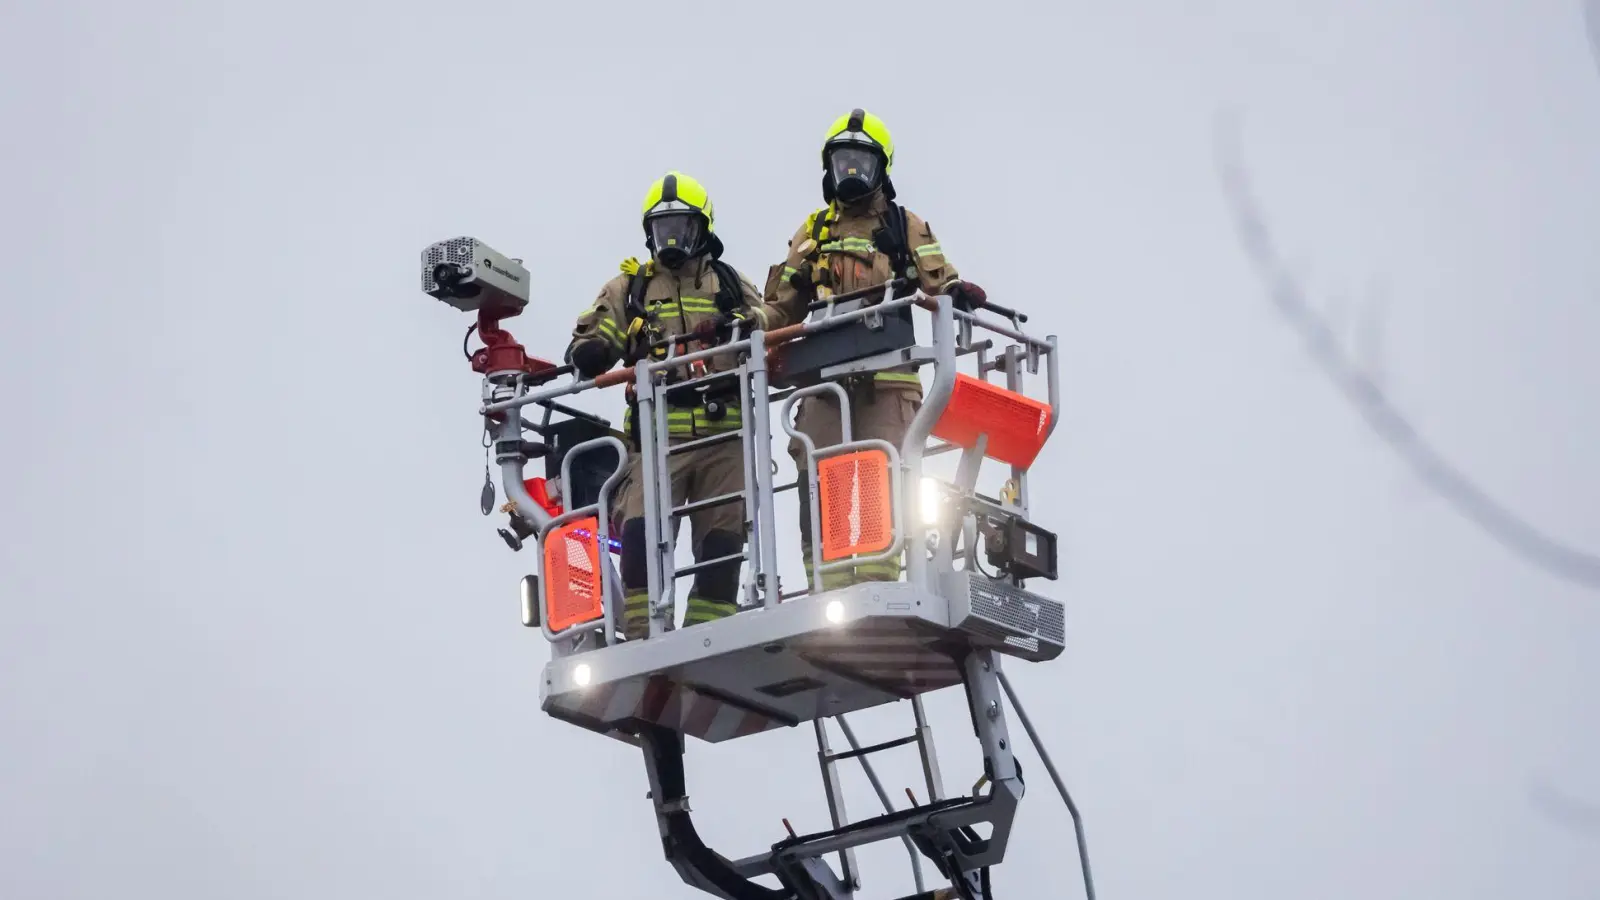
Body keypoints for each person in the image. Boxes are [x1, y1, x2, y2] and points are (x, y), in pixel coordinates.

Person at [758, 108, 987, 592]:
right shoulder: (814, 232)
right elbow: (780, 308)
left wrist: (957, 293)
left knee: (884, 480)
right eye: (842, 161)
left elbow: (940, 280)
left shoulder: (904, 225)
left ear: (881, 167)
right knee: (820, 483)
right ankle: (828, 591)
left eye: (861, 162)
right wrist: (749, 324)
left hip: (888, 384)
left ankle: (881, 586)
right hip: (825, 385)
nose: (851, 171)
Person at [564, 171, 765, 639]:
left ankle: (709, 635)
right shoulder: (630, 288)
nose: (670, 239)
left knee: (723, 542)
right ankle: (644, 635)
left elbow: (768, 322)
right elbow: (593, 336)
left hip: (725, 437)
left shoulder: (730, 284)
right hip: (656, 437)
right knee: (640, 538)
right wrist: (592, 350)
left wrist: (745, 320)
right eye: (662, 229)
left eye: (681, 227)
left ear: (702, 229)